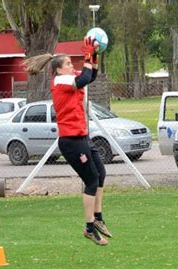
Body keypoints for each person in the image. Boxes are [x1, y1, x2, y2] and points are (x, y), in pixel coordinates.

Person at [23, 37, 113, 245]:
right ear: (58, 70)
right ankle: (89, 228)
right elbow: (84, 78)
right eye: (69, 65)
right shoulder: (59, 81)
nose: (73, 67)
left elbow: (92, 75)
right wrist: (88, 55)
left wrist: (94, 54)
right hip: (71, 141)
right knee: (91, 180)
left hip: (82, 137)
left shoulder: (67, 78)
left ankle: (98, 219)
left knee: (101, 173)